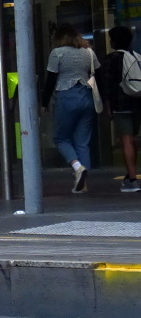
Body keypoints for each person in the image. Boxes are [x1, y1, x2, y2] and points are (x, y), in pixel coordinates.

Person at [40, 23, 100, 193]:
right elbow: (99, 74)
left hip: (66, 97)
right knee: (82, 142)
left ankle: (77, 167)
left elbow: (51, 80)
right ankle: (83, 183)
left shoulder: (57, 53)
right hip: (87, 97)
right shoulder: (88, 52)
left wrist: (44, 103)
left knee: (61, 138)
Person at [100, 25, 141, 193]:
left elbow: (107, 84)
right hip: (137, 103)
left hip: (121, 104)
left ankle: (132, 179)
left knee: (126, 140)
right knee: (132, 140)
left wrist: (108, 107)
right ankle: (130, 174)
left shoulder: (111, 59)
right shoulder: (137, 57)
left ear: (114, 42)